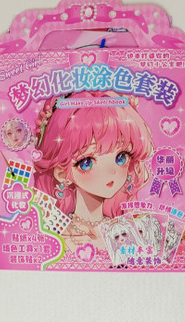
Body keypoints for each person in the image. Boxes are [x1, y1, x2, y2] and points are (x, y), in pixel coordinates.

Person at [33, 91, 153, 252]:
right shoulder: (57, 236)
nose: (111, 171)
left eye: (121, 157)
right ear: (62, 173)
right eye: (87, 162)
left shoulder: (129, 231)